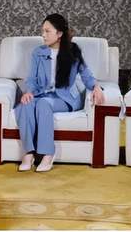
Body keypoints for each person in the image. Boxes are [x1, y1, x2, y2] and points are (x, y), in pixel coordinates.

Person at [15, 13, 105, 172]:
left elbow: (86, 75)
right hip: (42, 94)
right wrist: (28, 92)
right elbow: (32, 78)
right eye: (42, 31)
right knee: (25, 105)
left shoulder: (73, 51)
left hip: (65, 98)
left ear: (59, 34)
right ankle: (28, 153)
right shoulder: (38, 52)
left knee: (43, 104)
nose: (43, 35)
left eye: (47, 31)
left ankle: (48, 153)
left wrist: (96, 87)